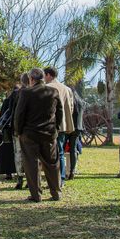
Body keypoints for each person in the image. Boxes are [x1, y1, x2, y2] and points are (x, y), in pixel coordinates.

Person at [14, 68, 63, 203]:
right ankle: (56, 192)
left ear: (31, 79)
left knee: (31, 164)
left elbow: (19, 114)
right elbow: (59, 113)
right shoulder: (53, 92)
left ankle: (36, 195)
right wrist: (56, 129)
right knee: (52, 164)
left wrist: (18, 131)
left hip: (30, 134)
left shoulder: (26, 92)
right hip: (49, 133)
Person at [44, 67, 75, 186]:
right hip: (63, 124)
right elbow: (71, 107)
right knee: (60, 152)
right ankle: (61, 178)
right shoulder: (67, 89)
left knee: (50, 154)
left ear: (48, 75)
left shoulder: (48, 88)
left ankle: (52, 179)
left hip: (50, 125)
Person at [68, 85, 86, 180]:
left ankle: (66, 169)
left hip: (70, 127)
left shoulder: (72, 101)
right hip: (78, 127)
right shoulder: (81, 102)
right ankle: (72, 170)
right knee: (73, 149)